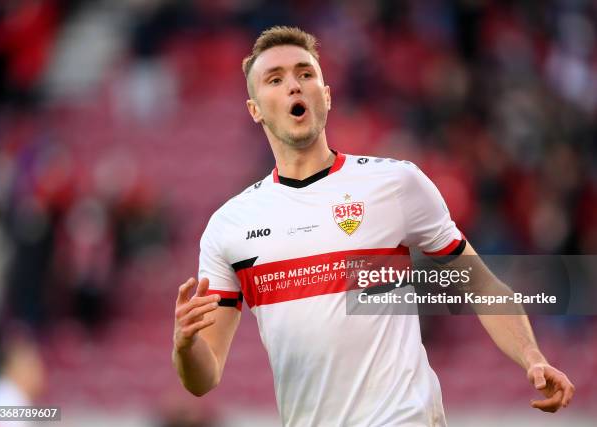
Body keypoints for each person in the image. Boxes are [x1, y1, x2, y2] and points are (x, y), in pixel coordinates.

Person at [172, 26, 575, 426]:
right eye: (275, 80)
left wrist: (532, 356)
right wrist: (186, 347)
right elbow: (204, 379)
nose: (294, 86)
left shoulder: (396, 183)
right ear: (255, 108)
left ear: (326, 96)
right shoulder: (230, 225)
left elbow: (482, 284)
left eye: (305, 74)